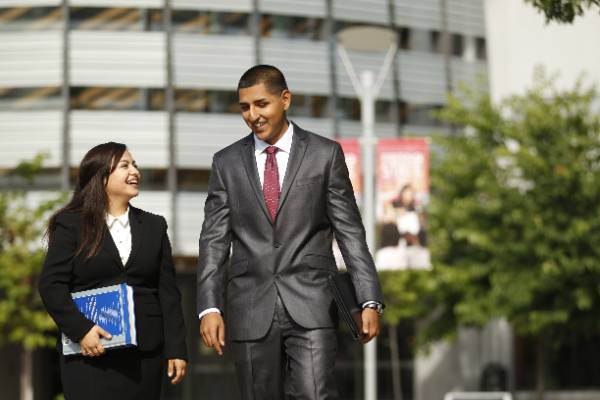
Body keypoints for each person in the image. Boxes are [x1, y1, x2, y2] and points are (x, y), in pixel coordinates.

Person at [196, 65, 384, 399]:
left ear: (285, 99)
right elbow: (213, 241)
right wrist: (210, 307)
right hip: (249, 306)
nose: (253, 115)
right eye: (244, 107)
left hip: (312, 302)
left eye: (261, 104)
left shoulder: (325, 155)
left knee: (316, 394)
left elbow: (350, 233)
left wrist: (368, 298)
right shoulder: (225, 163)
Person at [39, 142, 188, 400]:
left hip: (144, 356)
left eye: (135, 165)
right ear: (101, 176)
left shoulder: (154, 226)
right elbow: (51, 285)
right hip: (89, 353)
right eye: (125, 165)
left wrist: (177, 349)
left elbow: (168, 294)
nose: (135, 171)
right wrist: (81, 330)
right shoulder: (71, 224)